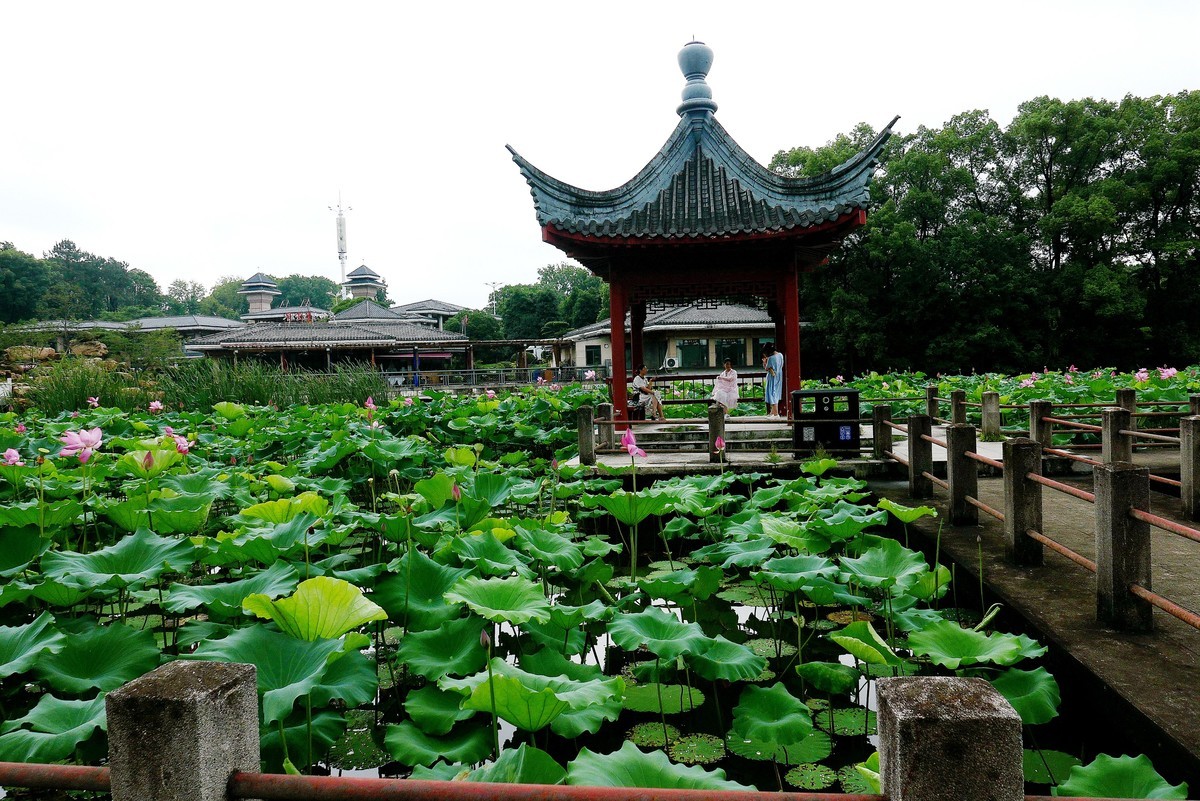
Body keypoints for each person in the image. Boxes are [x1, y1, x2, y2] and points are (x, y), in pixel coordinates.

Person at [762, 343, 784, 417]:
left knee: (772, 394)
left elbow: (767, 368)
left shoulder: (771, 358)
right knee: (776, 393)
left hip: (772, 377)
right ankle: (772, 413)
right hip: (779, 375)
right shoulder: (780, 355)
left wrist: (764, 362)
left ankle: (776, 414)